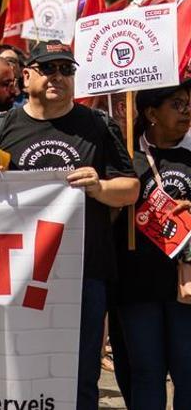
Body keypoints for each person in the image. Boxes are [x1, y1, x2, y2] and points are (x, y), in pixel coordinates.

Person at [0, 40, 138, 410]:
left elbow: (129, 188)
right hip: (18, 272)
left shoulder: (98, 125)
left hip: (85, 271)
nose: (58, 77)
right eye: (48, 68)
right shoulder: (1, 128)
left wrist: (99, 187)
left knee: (82, 375)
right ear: (26, 75)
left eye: (66, 70)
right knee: (20, 368)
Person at [105, 81, 191, 410]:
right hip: (136, 285)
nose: (186, 111)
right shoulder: (128, 159)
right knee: (146, 373)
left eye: (187, 103)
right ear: (152, 113)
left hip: (183, 285)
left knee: (187, 372)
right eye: (177, 104)